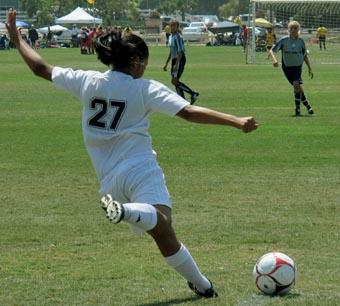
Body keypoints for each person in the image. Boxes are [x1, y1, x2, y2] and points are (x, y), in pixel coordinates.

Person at [5, 8, 258, 299]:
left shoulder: (87, 81)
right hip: (139, 168)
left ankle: (202, 286)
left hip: (109, 180)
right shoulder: (144, 88)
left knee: (160, 230)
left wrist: (16, 37)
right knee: (162, 222)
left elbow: (40, 68)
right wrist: (236, 121)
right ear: (136, 62)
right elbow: (188, 112)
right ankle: (127, 213)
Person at [268, 20, 315, 117]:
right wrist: (274, 60)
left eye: (295, 28)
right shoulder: (284, 40)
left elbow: (305, 56)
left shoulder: (301, 42)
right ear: (288, 29)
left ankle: (297, 109)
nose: (293, 30)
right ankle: (307, 105)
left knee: (296, 84)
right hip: (286, 68)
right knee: (297, 87)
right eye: (291, 28)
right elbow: (271, 51)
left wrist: (309, 68)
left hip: (297, 67)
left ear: (298, 29)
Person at [163, 20, 199, 104]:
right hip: (174, 59)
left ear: (177, 27)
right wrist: (167, 63)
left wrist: (177, 63)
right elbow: (171, 51)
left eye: (174, 26)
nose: (172, 27)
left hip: (180, 59)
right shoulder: (171, 37)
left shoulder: (178, 37)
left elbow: (180, 51)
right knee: (175, 81)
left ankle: (193, 94)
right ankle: (182, 100)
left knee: (174, 81)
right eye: (171, 26)